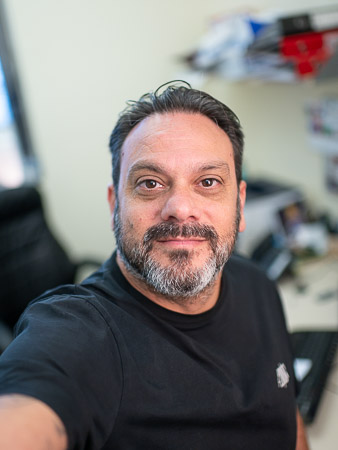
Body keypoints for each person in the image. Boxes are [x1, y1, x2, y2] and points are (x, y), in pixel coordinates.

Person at [0, 82, 309, 450]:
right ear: (115, 205)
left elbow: (284, 412)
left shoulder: (258, 285)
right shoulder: (80, 333)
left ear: (239, 204)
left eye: (208, 182)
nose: (179, 206)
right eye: (150, 183)